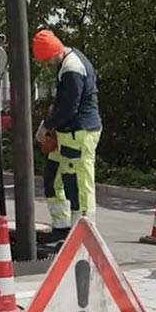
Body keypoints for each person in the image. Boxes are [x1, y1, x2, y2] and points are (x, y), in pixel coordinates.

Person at [31, 29, 101, 242]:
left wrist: (47, 126)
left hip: (79, 133)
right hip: (68, 133)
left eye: (46, 61)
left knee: (78, 183)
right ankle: (62, 226)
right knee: (53, 178)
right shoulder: (68, 61)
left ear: (54, 52)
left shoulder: (72, 70)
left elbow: (70, 108)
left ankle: (83, 233)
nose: (46, 65)